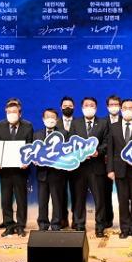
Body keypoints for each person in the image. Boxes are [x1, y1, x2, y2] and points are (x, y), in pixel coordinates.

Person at [107, 99, 132, 239]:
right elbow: (110, 150)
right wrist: (110, 169)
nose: (127, 110)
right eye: (125, 108)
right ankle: (124, 229)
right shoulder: (113, 127)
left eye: (130, 108)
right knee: (123, 201)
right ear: (121, 109)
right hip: (119, 170)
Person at [69, 97, 109, 237]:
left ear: (96, 108)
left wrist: (98, 151)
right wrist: (79, 154)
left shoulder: (103, 123)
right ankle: (79, 224)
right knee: (79, 198)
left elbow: (107, 142)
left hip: (97, 167)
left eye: (92, 105)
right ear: (82, 108)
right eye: (86, 105)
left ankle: (100, 226)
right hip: (80, 168)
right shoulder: (75, 123)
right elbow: (71, 142)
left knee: (100, 199)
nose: (89, 107)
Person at [0, 99, 33, 237]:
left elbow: (30, 146)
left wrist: (27, 160)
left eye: (14, 111)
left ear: (20, 113)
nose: (11, 114)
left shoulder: (28, 126)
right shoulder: (0, 125)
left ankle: (21, 225)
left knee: (21, 199)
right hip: (4, 170)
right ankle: (9, 225)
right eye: (9, 112)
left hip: (20, 170)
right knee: (6, 199)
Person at [35, 109, 67, 231]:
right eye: (47, 117)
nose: (50, 119)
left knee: (57, 201)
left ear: (57, 119)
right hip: (42, 173)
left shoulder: (63, 133)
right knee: (42, 201)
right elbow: (33, 151)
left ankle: (56, 225)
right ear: (43, 119)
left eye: (53, 117)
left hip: (57, 174)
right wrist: (34, 159)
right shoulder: (37, 134)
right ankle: (43, 224)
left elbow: (66, 152)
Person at [103, 95, 122, 228]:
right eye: (111, 104)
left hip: (122, 163)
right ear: (107, 106)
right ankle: (107, 219)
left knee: (125, 194)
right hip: (104, 162)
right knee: (105, 192)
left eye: (116, 104)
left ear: (120, 106)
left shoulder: (126, 121)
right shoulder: (102, 122)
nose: (114, 107)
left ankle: (126, 222)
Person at [57, 96, 75, 228]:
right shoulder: (55, 123)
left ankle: (76, 219)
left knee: (76, 193)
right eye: (65, 106)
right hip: (60, 165)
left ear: (74, 107)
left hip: (76, 164)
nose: (67, 107)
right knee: (60, 193)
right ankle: (62, 218)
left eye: (70, 106)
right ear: (61, 108)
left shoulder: (79, 123)